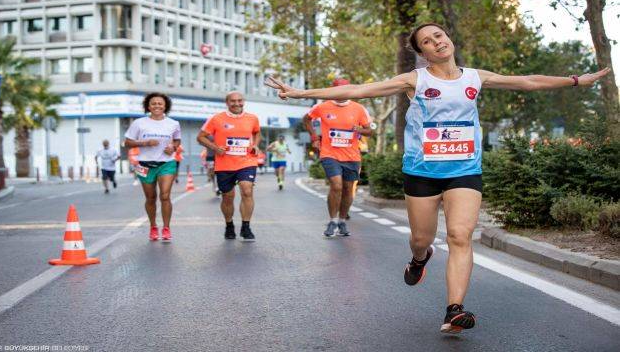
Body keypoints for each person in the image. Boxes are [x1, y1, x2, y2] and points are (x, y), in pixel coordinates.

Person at [264, 22, 610, 334]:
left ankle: (454, 309)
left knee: (460, 235)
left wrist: (577, 80)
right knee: (420, 239)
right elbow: (357, 91)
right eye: (427, 42)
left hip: (465, 170)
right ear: (422, 53)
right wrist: (299, 94)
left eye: (439, 36)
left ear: (449, 39)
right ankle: (419, 258)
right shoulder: (415, 80)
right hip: (422, 172)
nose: (437, 43)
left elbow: (529, 81)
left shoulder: (476, 76)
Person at [301, 78, 373, 238]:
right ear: (332, 91)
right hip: (329, 154)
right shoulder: (322, 106)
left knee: (348, 189)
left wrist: (360, 129)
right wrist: (314, 137)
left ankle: (342, 220)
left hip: (352, 156)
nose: (342, 93)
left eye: (345, 90)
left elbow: (369, 131)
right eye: (338, 90)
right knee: (336, 185)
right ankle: (332, 220)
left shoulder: (359, 108)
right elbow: (306, 119)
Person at [197, 91, 261, 241]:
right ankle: (229, 225)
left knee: (247, 190)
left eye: (240, 100)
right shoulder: (216, 118)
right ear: (227, 102)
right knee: (227, 197)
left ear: (243, 101)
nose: (237, 103)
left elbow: (257, 133)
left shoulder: (252, 118)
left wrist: (256, 145)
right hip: (224, 163)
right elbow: (200, 136)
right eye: (233, 101)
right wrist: (215, 147)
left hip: (247, 161)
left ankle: (246, 227)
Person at [124, 92, 181, 242]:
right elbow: (127, 142)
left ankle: (166, 228)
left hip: (166, 163)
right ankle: (153, 226)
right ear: (148, 106)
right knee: (150, 198)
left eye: (160, 103)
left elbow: (177, 140)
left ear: (165, 106)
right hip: (145, 164)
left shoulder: (173, 123)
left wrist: (173, 148)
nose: (157, 106)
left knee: (165, 196)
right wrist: (145, 143)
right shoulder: (139, 123)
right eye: (153, 103)